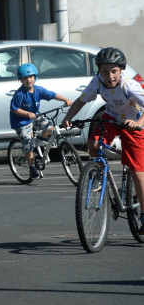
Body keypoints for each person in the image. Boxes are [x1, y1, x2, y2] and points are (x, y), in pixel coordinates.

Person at [62, 47, 144, 234]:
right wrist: (69, 117)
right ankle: (99, 172)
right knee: (93, 144)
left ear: (121, 70)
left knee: (137, 171)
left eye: (114, 71)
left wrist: (138, 123)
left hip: (132, 121)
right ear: (99, 71)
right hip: (110, 117)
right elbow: (80, 101)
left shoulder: (129, 86)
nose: (110, 76)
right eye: (105, 71)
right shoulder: (97, 82)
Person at [10, 63, 73, 180]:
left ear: (35, 77)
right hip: (21, 121)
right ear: (20, 80)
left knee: (50, 128)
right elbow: (14, 109)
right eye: (24, 78)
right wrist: (27, 113)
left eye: (30, 77)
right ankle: (32, 168)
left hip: (35, 117)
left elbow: (52, 95)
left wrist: (66, 99)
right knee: (28, 143)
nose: (28, 80)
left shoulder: (38, 90)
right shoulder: (19, 94)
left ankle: (41, 140)